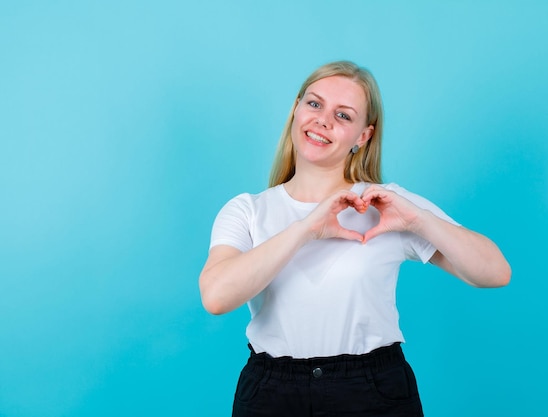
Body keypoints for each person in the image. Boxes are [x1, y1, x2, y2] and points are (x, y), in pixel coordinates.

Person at [198, 60, 511, 417]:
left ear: (363, 136)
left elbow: (495, 272)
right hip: (272, 393)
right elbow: (216, 296)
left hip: (372, 391)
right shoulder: (248, 210)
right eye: (314, 104)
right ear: (296, 110)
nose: (323, 120)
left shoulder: (385, 204)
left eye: (344, 115)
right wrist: (305, 229)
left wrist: (420, 220)